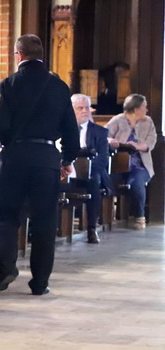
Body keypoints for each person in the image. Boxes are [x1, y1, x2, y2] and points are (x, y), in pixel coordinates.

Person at [0, 34, 79, 295]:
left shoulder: (9, 84)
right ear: (41, 55)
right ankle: (40, 283)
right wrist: (67, 159)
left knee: (7, 216)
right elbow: (71, 128)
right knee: (45, 222)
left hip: (16, 158)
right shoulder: (59, 86)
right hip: (46, 159)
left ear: (18, 55)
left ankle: (8, 268)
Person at [105, 93, 156, 230]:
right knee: (106, 180)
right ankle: (105, 217)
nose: (146, 110)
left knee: (137, 183)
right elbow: (104, 135)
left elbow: (151, 141)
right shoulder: (118, 120)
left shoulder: (148, 122)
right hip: (118, 165)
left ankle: (139, 217)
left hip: (140, 165)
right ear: (136, 109)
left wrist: (138, 146)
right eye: (144, 107)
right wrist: (111, 141)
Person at [71, 93, 113, 243]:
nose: (84, 111)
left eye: (87, 108)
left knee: (94, 182)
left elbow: (103, 158)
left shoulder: (100, 132)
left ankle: (91, 228)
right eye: (80, 108)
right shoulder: (62, 129)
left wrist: (85, 167)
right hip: (67, 169)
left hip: (91, 171)